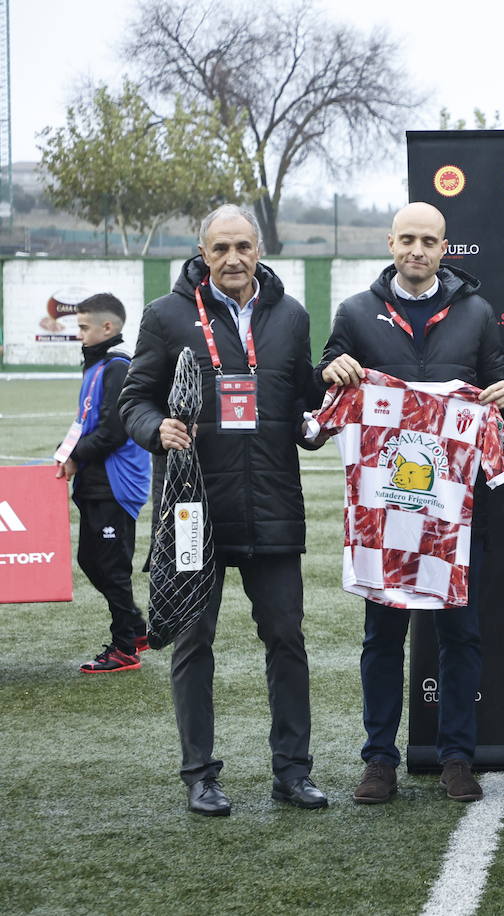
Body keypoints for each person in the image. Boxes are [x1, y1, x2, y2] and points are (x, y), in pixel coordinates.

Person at [120, 204, 326, 816]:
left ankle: (292, 772)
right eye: (220, 250)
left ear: (259, 249)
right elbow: (134, 401)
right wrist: (159, 429)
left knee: (287, 639)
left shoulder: (290, 317)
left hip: (272, 508)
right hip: (191, 512)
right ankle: (200, 776)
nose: (232, 259)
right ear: (202, 254)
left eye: (243, 246)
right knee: (192, 643)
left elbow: (300, 408)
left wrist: (316, 426)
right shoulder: (165, 316)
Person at [317, 202, 504, 805]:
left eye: (428, 241)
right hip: (385, 511)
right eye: (407, 239)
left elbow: (496, 379)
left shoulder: (476, 311)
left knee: (461, 634)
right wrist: (333, 368)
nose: (416, 249)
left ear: (444, 247)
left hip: (455, 510)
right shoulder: (356, 311)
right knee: (383, 636)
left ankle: (458, 757)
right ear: (390, 242)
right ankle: (378, 758)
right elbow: (320, 382)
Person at [56, 293, 152, 673]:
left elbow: (115, 429)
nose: (78, 334)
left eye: (83, 327)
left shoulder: (117, 367)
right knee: (90, 560)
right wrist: (66, 451)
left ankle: (125, 647)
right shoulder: (96, 367)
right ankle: (136, 627)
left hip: (116, 483)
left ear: (107, 328)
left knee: (111, 567)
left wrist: (77, 456)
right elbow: (86, 422)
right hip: (96, 483)